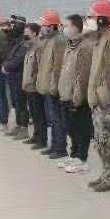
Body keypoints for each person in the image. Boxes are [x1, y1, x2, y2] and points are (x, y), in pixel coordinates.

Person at [86, 0, 110, 192]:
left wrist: (105, 100)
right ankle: (105, 173)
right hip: (97, 100)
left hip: (105, 102)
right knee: (100, 142)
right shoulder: (99, 40)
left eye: (92, 17)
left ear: (102, 19)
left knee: (108, 142)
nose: (89, 20)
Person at [57, 14, 94, 174]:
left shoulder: (85, 47)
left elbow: (82, 75)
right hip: (66, 93)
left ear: (75, 28)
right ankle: (73, 155)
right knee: (71, 128)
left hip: (79, 97)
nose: (63, 29)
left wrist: (77, 97)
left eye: (66, 26)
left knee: (81, 128)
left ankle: (82, 158)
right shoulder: (70, 45)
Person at [35, 9, 68, 159]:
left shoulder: (59, 41)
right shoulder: (48, 41)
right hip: (47, 86)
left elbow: (58, 66)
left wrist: (54, 87)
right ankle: (54, 145)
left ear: (52, 26)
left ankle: (60, 148)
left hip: (54, 87)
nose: (42, 27)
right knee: (52, 118)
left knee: (57, 118)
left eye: (44, 25)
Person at [3, 15, 29, 139]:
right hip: (13, 76)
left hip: (19, 76)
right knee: (15, 102)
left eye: (15, 25)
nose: (12, 27)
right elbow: (9, 55)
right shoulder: (14, 40)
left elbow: (19, 59)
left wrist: (7, 66)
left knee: (20, 103)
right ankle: (17, 125)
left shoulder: (23, 42)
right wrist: (6, 65)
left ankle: (23, 128)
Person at [22, 23, 48, 149]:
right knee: (33, 112)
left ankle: (42, 140)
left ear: (34, 33)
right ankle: (36, 135)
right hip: (29, 85)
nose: (25, 34)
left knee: (39, 114)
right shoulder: (30, 47)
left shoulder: (39, 47)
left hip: (35, 85)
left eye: (27, 32)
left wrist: (36, 80)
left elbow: (40, 67)